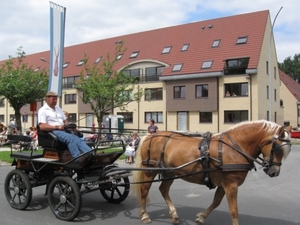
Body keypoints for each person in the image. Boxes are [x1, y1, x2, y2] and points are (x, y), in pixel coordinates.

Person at [38, 91, 93, 165]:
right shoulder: (43, 110)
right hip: (53, 131)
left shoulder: (58, 109)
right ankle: (78, 159)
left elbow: (65, 119)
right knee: (70, 138)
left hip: (63, 130)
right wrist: (57, 127)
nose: (55, 101)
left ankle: (91, 154)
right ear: (47, 98)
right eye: (53, 99)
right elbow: (42, 126)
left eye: (56, 99)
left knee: (76, 138)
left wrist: (67, 124)